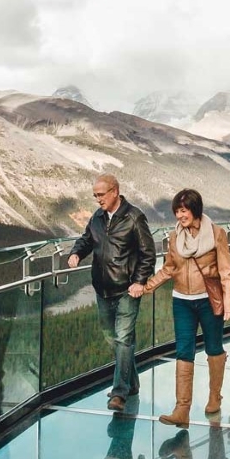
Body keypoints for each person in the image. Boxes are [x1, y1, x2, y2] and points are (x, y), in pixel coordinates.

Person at [135, 189, 230, 428]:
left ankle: (215, 396)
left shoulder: (216, 234)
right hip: (181, 301)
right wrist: (147, 286)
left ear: (195, 209)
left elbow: (227, 271)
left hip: (209, 301)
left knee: (214, 348)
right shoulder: (174, 237)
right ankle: (182, 409)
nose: (180, 216)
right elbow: (170, 268)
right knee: (183, 351)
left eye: (184, 210)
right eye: (177, 212)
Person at [68, 174, 156, 411]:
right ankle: (131, 383)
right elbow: (87, 240)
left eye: (101, 195)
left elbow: (148, 253)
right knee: (112, 338)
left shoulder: (134, 217)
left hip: (127, 290)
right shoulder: (97, 218)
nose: (98, 200)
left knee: (124, 338)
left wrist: (139, 282)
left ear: (115, 191)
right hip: (102, 289)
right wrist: (76, 253)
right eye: (95, 196)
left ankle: (119, 393)